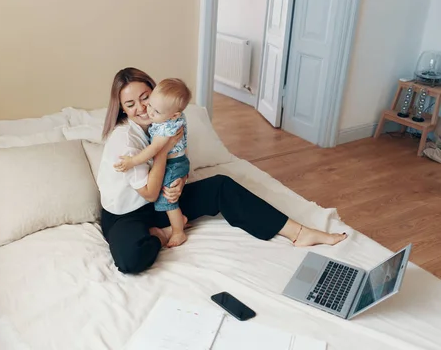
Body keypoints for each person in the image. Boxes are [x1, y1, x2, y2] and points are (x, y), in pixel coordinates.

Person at [96, 67, 347, 274]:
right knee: (130, 260)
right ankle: (162, 234)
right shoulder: (125, 141)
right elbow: (150, 193)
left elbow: (179, 162)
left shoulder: (165, 120)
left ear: (157, 93)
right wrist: (163, 149)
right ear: (122, 109)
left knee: (221, 186)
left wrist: (181, 181)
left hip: (161, 200)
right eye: (130, 104)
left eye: (145, 97)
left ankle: (299, 233)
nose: (141, 108)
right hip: (126, 214)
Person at [114, 78, 191, 247]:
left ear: (174, 115)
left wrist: (132, 162)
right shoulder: (168, 114)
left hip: (174, 165)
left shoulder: (166, 127)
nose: (146, 110)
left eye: (145, 99)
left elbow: (153, 149)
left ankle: (178, 231)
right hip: (179, 162)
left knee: (167, 201)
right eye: (130, 103)